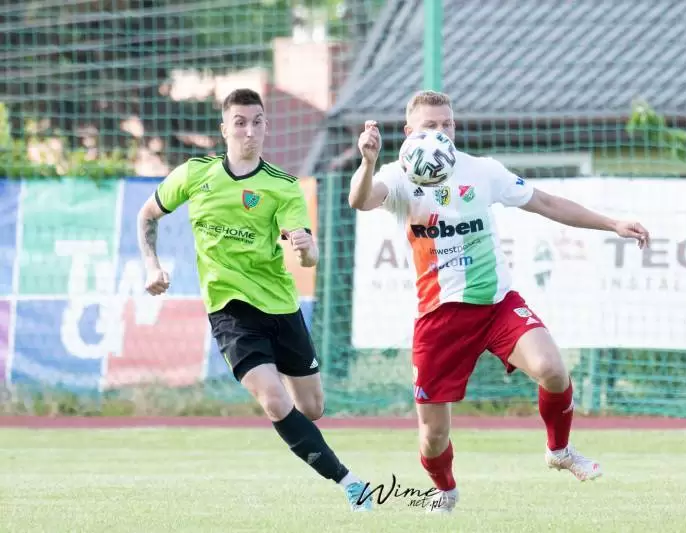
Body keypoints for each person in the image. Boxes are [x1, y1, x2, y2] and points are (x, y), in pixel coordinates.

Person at [348, 90, 651, 513]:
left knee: (552, 369)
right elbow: (360, 200)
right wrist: (366, 162)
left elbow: (546, 202)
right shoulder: (398, 177)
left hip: (496, 305)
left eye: (447, 124)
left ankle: (559, 451)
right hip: (439, 318)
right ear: (409, 131)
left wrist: (612, 223)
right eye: (431, 125)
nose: (441, 132)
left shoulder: (481, 170)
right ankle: (445, 490)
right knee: (433, 436)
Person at [136, 88, 373, 512]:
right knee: (274, 401)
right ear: (224, 129)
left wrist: (307, 249)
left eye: (257, 121)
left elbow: (309, 253)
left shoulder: (282, 186)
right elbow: (147, 215)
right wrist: (152, 266)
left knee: (312, 408)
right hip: (230, 310)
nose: (249, 130)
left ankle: (300, 428)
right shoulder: (195, 174)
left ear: (266, 127)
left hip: (280, 306)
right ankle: (350, 483)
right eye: (240, 122)